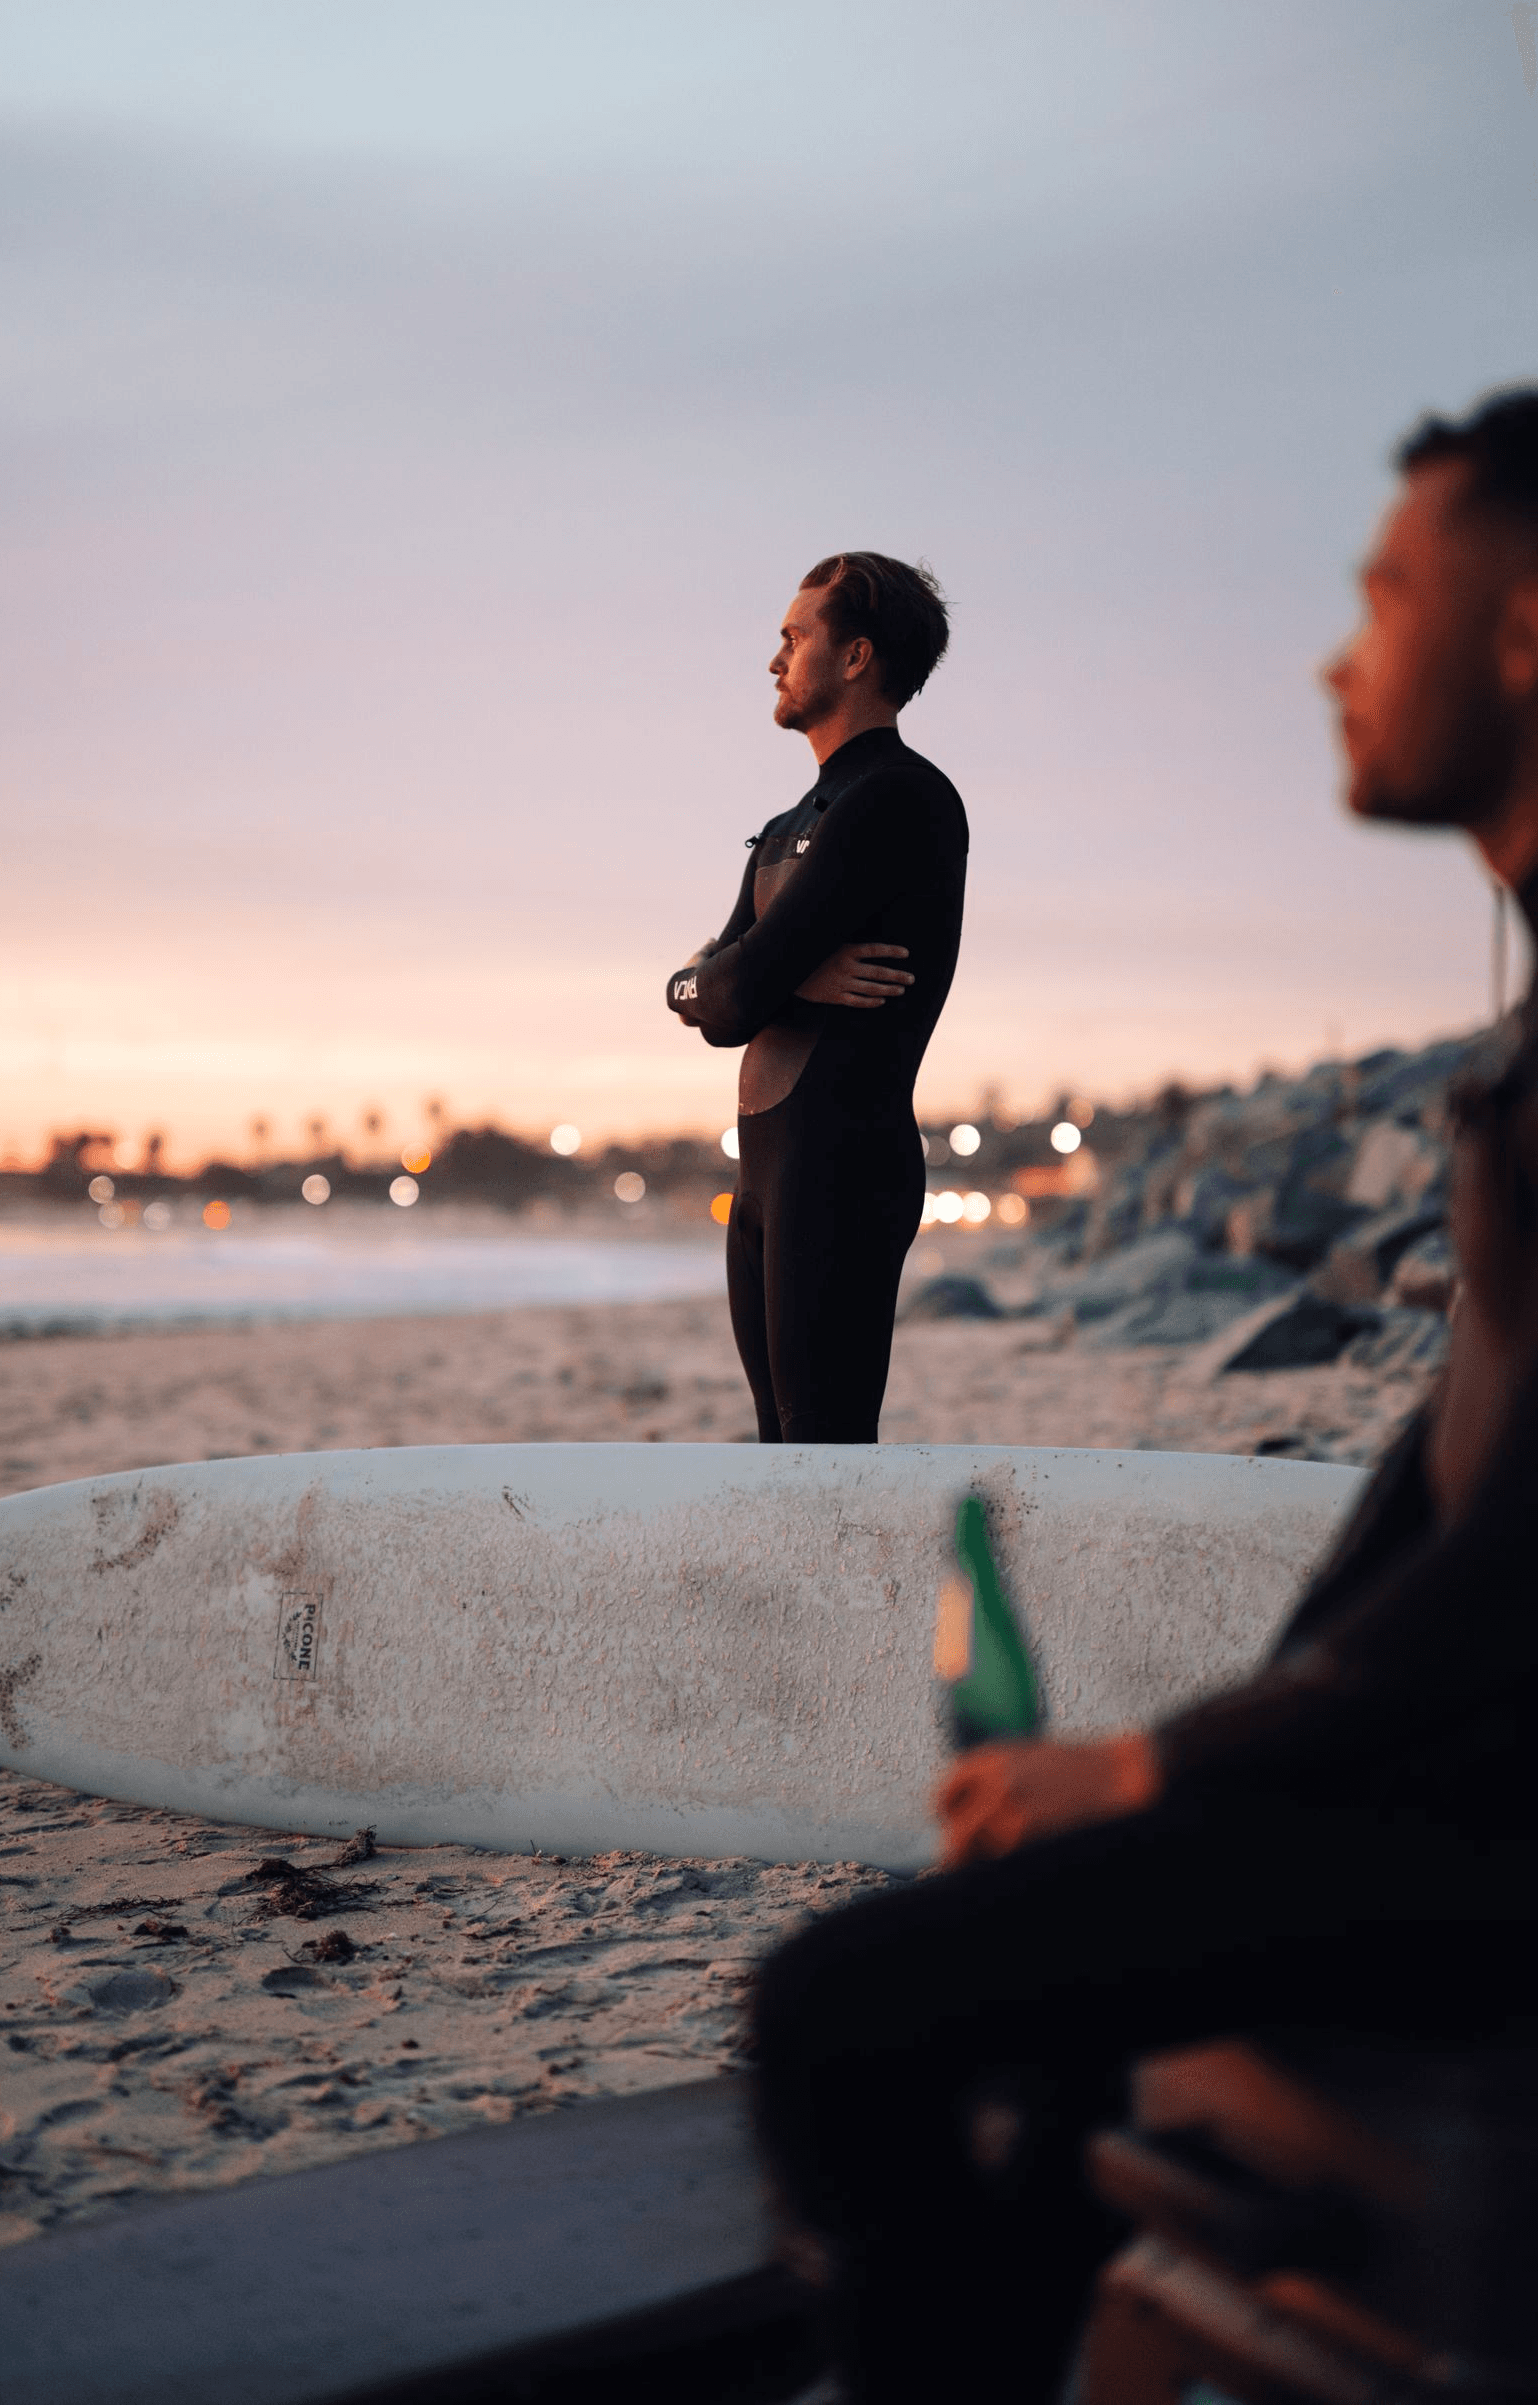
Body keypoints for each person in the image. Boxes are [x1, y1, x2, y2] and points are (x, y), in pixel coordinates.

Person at [750, 389, 1538, 2402]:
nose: (1328, 650)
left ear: (1520, 632)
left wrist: (1172, 1770)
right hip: (1439, 1777)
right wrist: (1212, 1748)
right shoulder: (1518, 1039)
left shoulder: (892, 803)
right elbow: (1441, 1479)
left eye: (1379, 592)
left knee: (835, 2013)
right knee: (1053, 1987)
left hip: (1491, 1835)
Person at [666, 554, 966, 1442]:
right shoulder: (791, 825)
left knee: (826, 1460)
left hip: (843, 1169)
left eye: (795, 638)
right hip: (766, 1180)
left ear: (856, 657)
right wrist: (775, 975)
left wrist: (750, 978)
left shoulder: (898, 800)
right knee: (780, 1454)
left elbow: (725, 995)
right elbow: (702, 993)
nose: (774, 660)